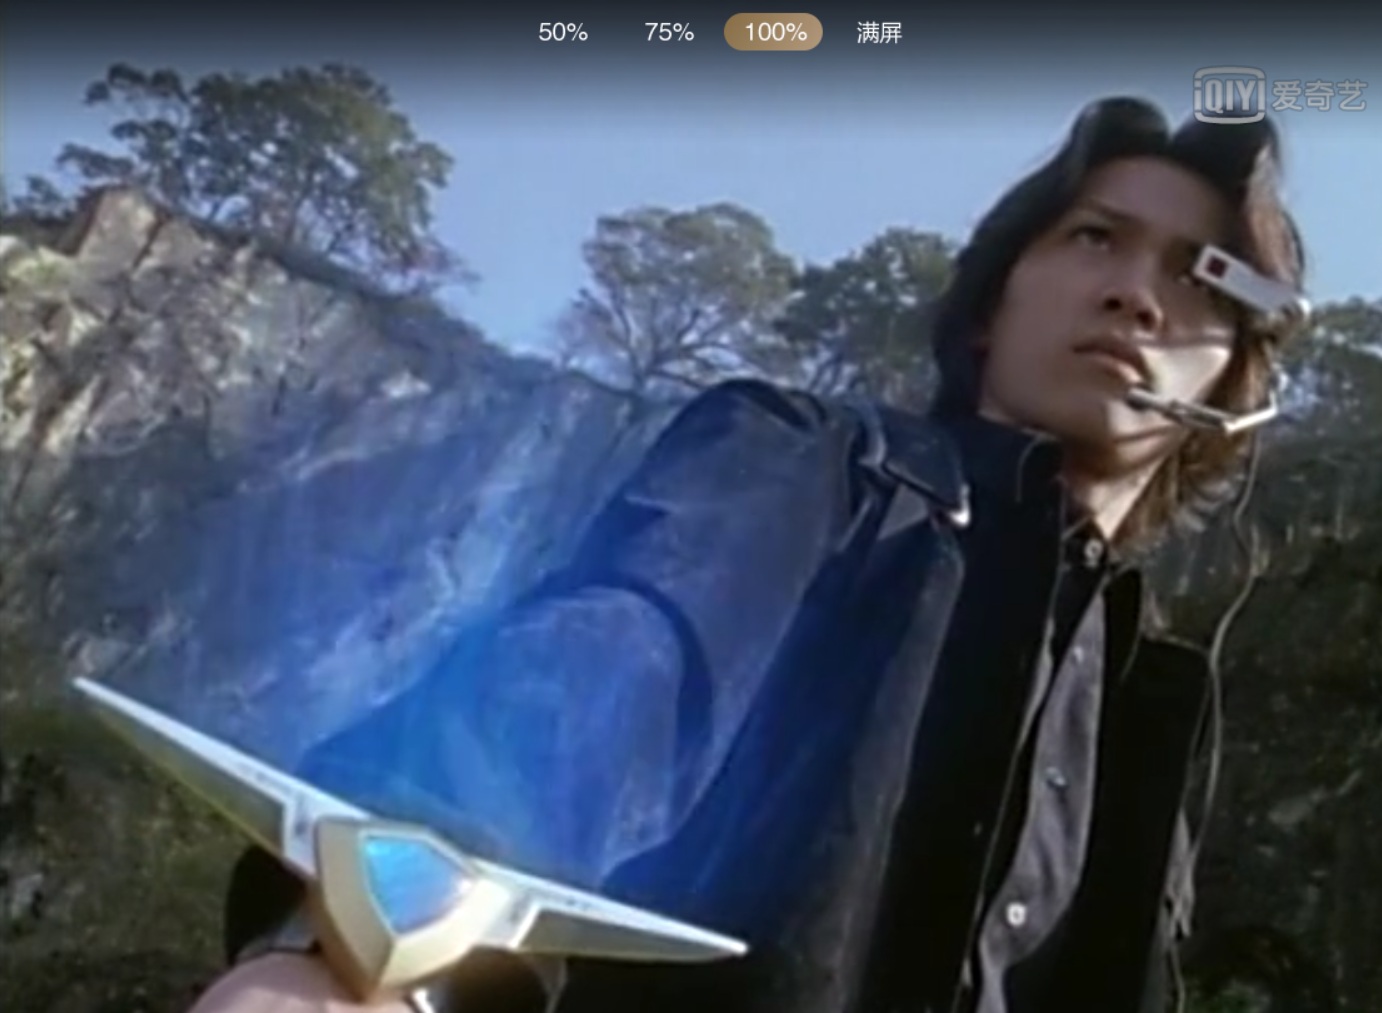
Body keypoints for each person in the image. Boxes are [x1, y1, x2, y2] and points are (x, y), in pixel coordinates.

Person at [185, 95, 1309, 1013]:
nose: (1133, 294)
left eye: (1198, 273)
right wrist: (354, 948)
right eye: (1094, 237)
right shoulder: (809, 465)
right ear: (988, 309)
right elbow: (618, 649)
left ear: (1236, 379)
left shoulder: (1158, 703)